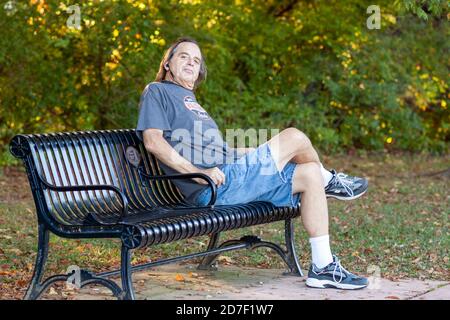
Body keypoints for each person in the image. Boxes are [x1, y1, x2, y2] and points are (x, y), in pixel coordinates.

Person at [136, 37, 369, 290]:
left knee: (310, 173)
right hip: (211, 187)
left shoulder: (192, 102)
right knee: (294, 137)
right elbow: (153, 142)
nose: (191, 62)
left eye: (196, 60)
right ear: (168, 63)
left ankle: (323, 267)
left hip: (230, 176)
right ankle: (332, 182)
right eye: (183, 56)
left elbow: (225, 151)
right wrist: (198, 172)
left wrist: (263, 151)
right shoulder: (157, 91)